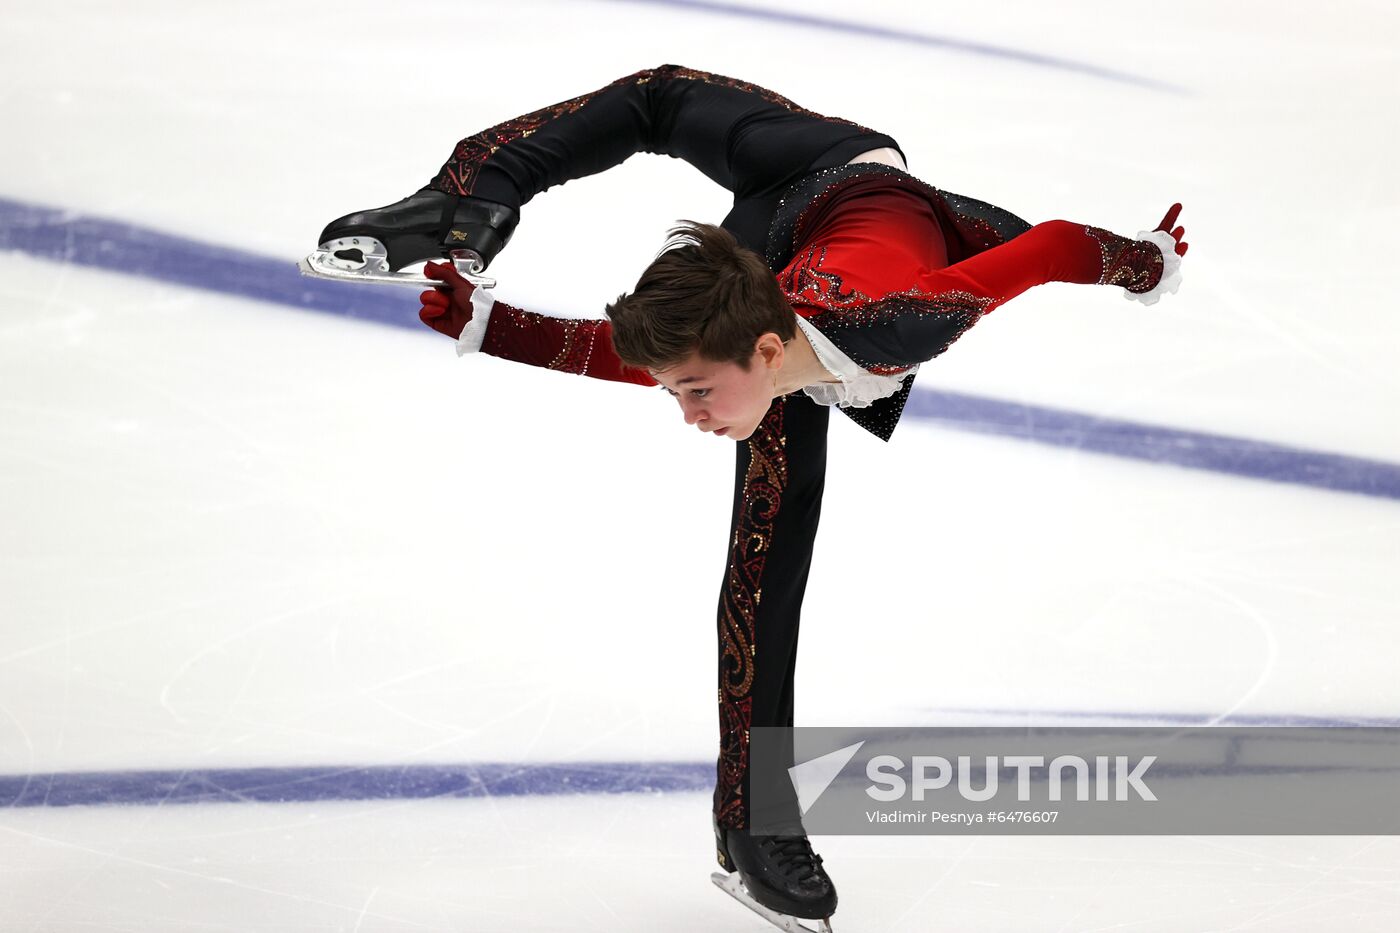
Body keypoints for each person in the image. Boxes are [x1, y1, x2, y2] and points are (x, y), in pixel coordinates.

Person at [314, 64, 1187, 927]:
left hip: (866, 191)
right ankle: (467, 198)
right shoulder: (746, 349)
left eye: (695, 392)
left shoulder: (910, 314)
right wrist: (490, 323)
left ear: (767, 353)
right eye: (678, 393)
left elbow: (1056, 245)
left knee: (766, 574)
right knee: (657, 95)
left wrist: (1145, 264)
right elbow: (661, 356)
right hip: (789, 185)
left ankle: (749, 816)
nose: (688, 415)